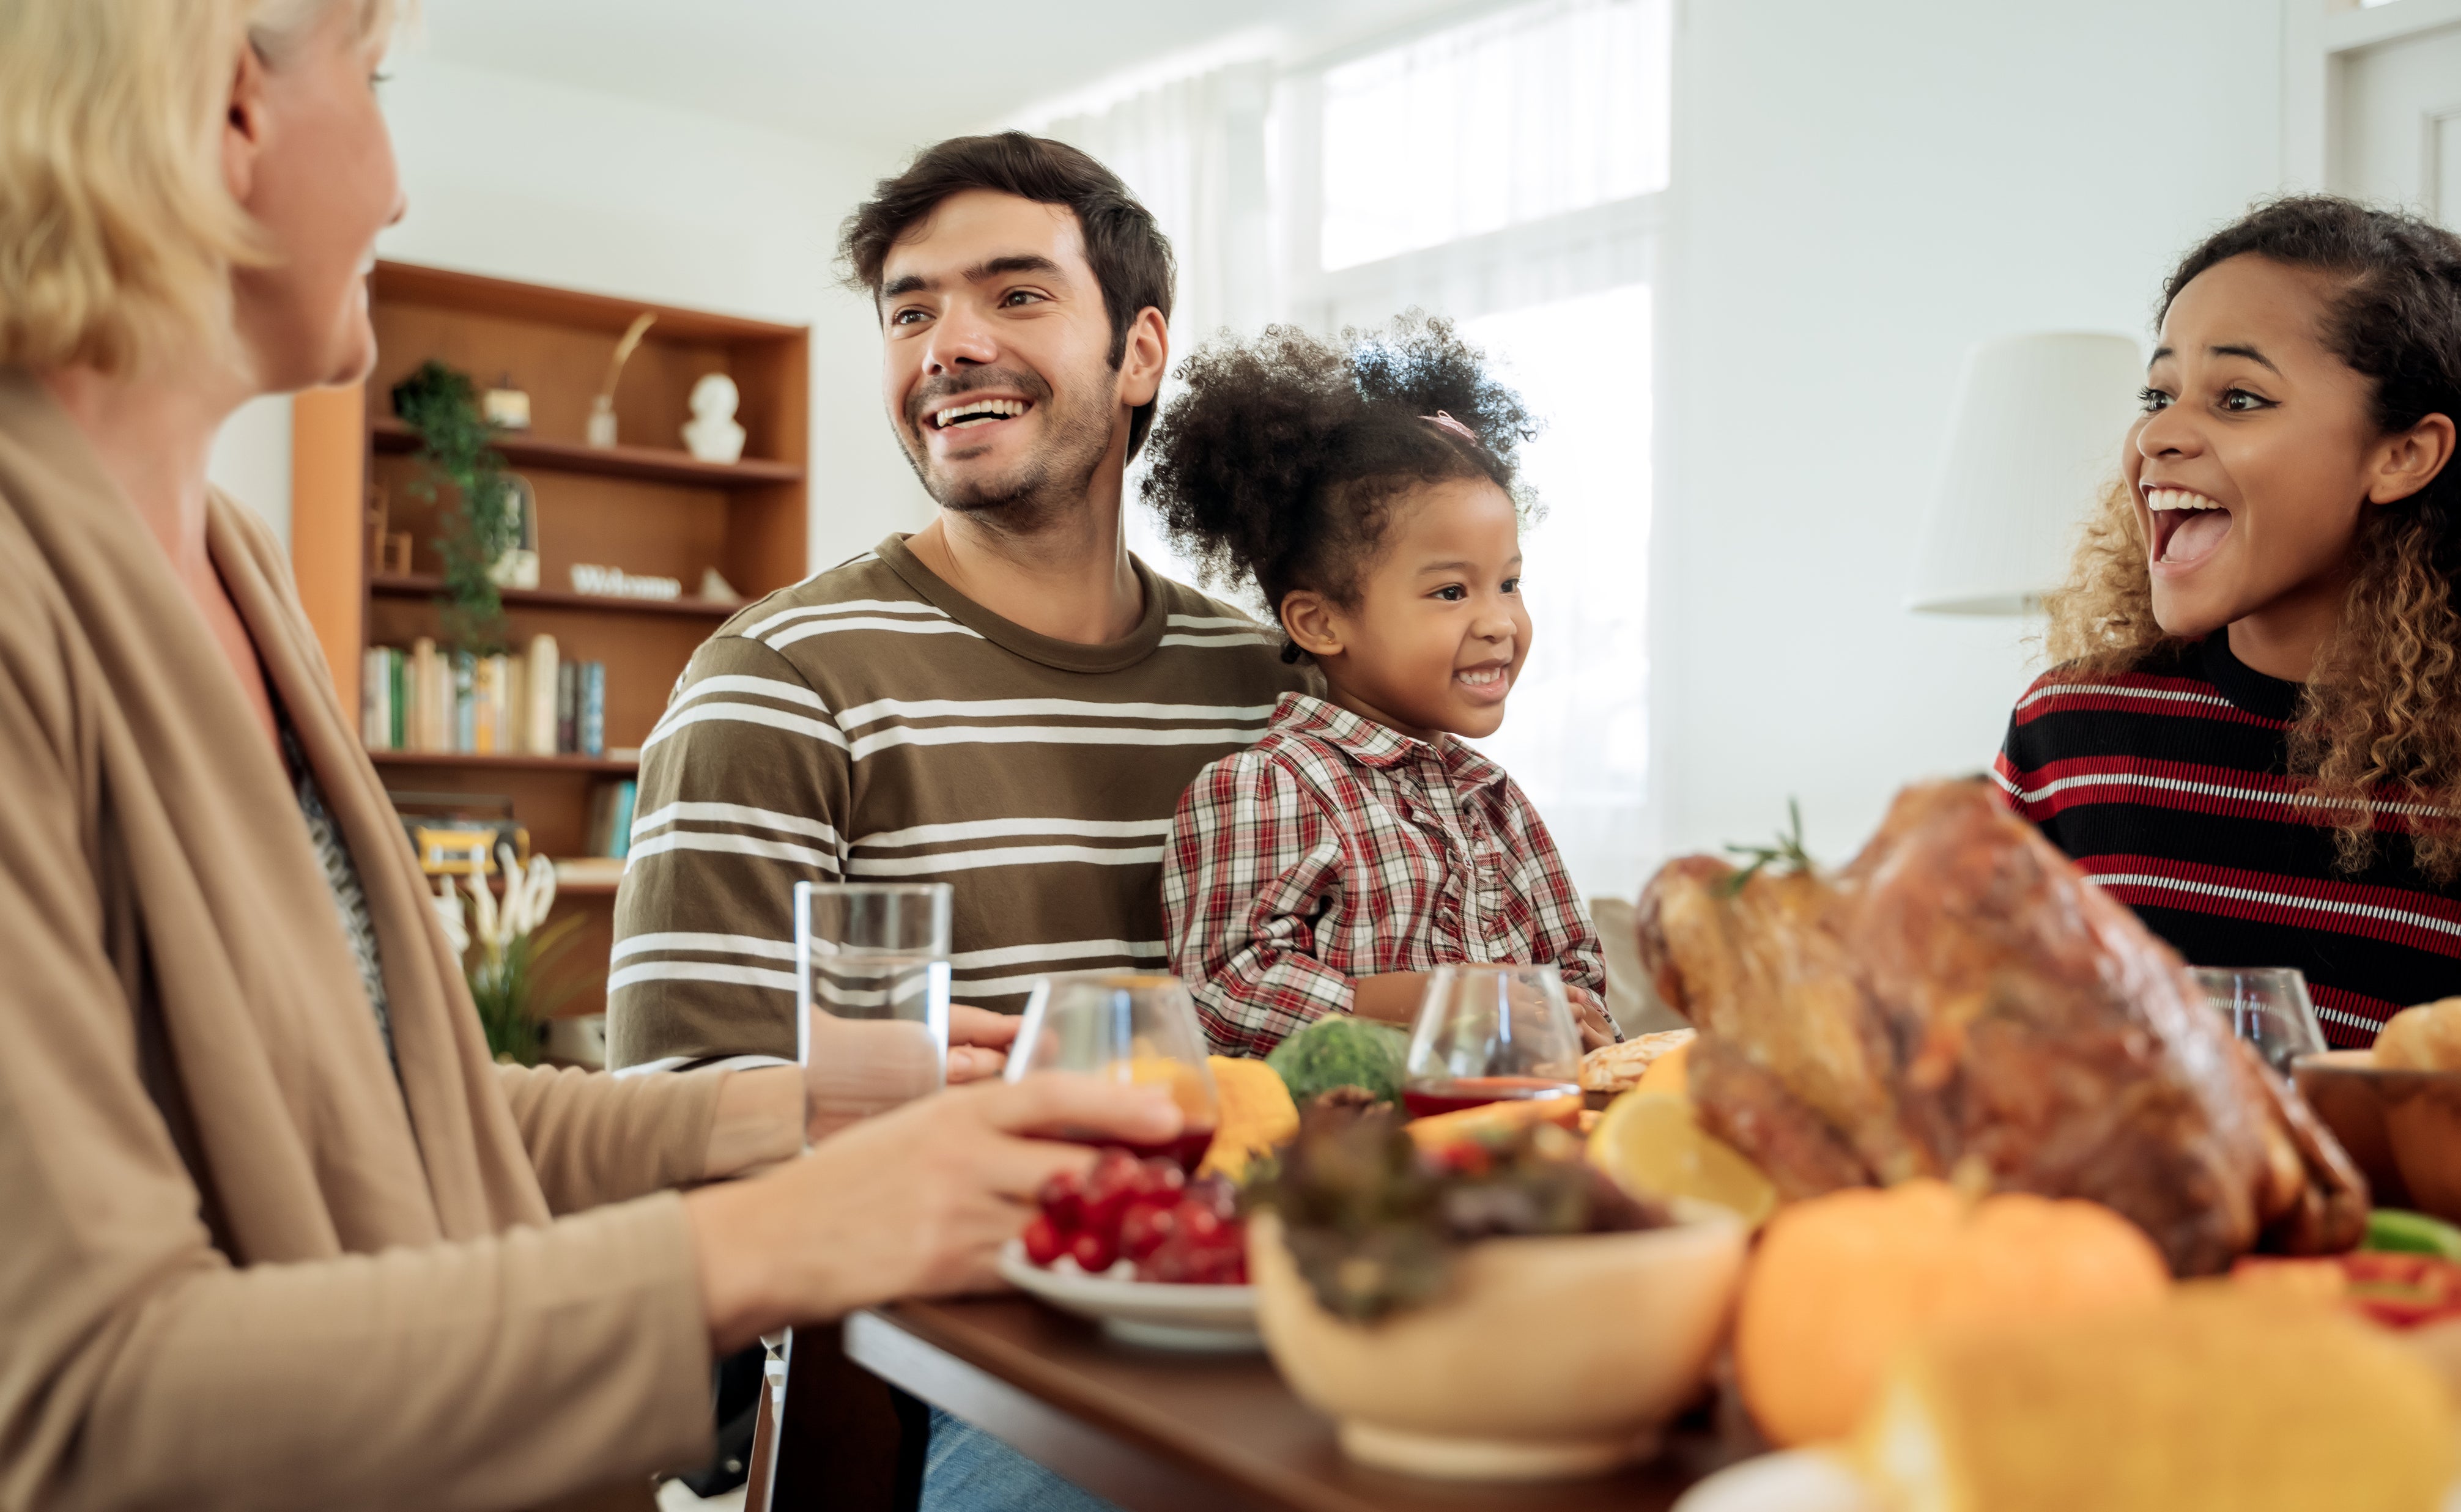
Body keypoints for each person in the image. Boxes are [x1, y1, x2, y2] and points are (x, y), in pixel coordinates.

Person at [0, 6, 1181, 1509]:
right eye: (371, 86)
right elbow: (83, 1402)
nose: (401, 185)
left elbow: (397, 1101)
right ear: (233, 112)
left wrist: (813, 1113)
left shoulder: (227, 568)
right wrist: (794, 1228)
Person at [605, 134, 1312, 1510]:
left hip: (1262, 1304)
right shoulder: (781, 684)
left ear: (1141, 353)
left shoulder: (1267, 688)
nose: (948, 345)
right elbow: (657, 1137)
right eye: (911, 309)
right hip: (941, 1370)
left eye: (1015, 295)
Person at [1997, 195, 2461, 1045]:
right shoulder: (2069, 734)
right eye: (2158, 392)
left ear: (2401, 455)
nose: (2160, 434)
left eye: (2240, 398)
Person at [1146, 318, 1614, 1057]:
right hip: (1348, 1155)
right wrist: (1444, 1005)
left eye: (1509, 583)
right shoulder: (1268, 787)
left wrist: (1574, 1015)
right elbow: (1226, 989)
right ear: (1322, 620)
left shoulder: (1495, 800)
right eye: (1451, 592)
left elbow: (1577, 966)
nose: (1499, 621)